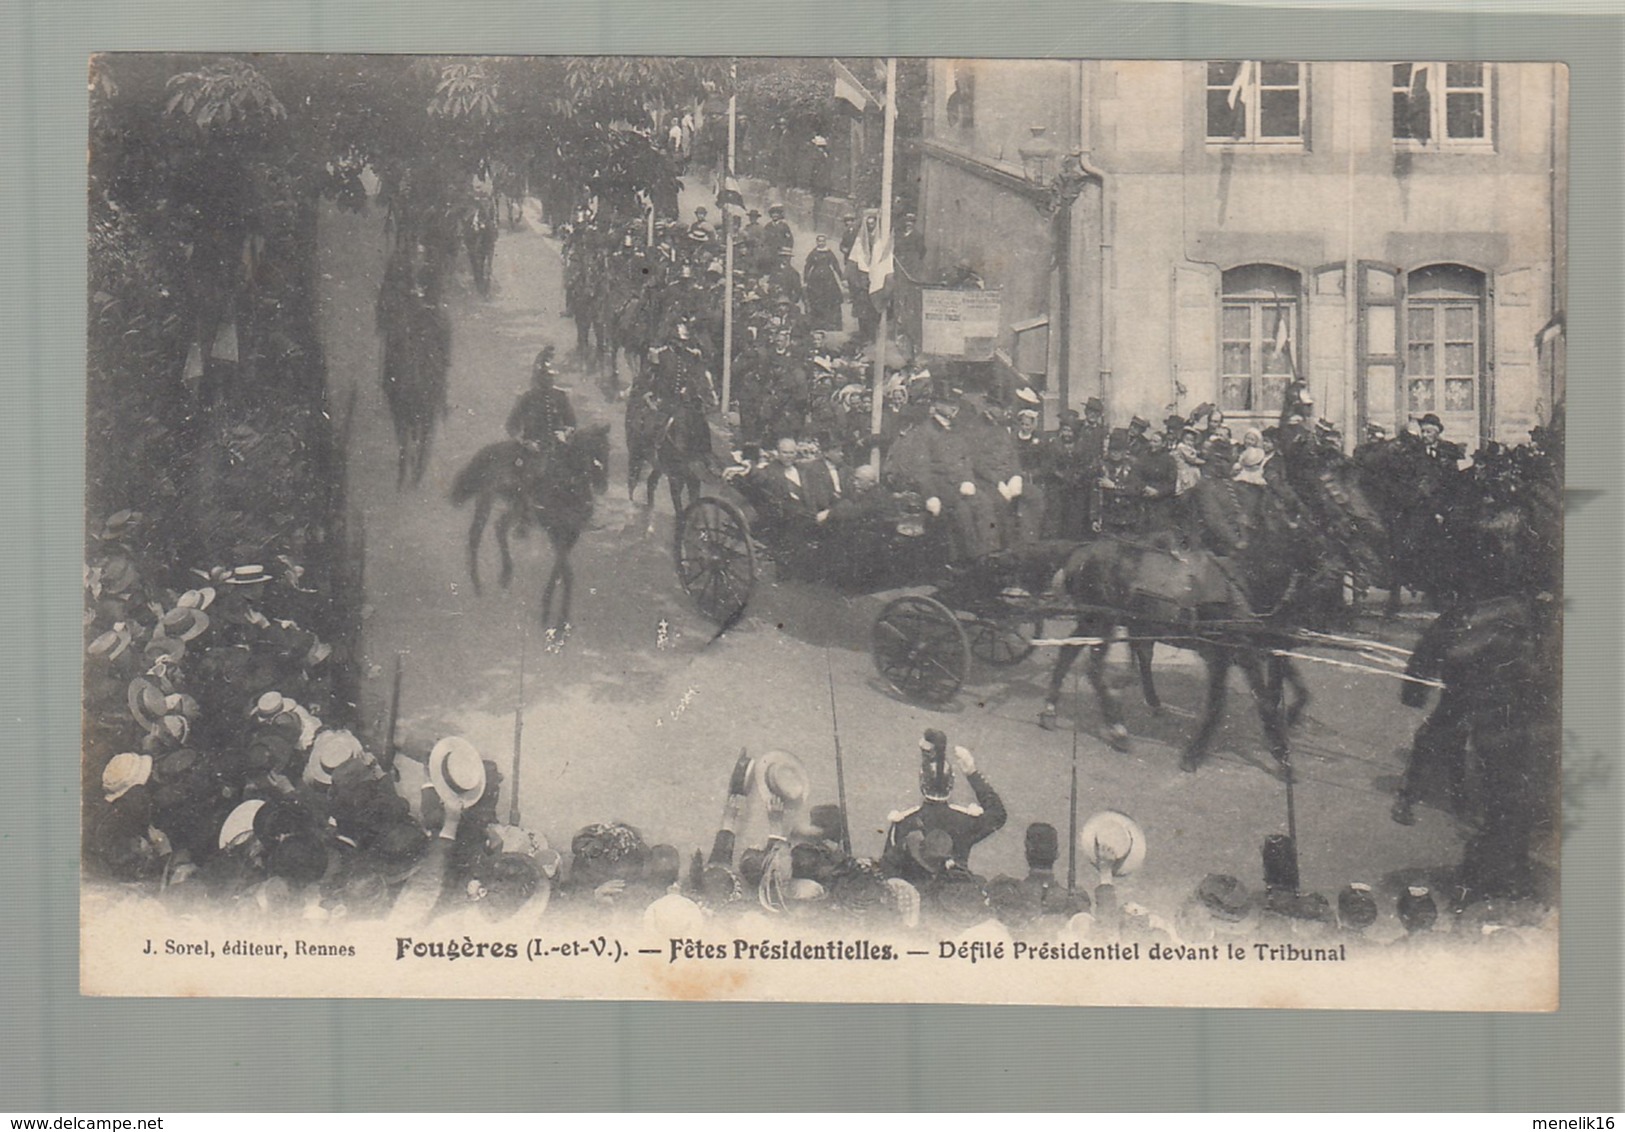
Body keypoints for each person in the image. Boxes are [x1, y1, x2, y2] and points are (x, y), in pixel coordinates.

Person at [880, 730, 1007, 887]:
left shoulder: (904, 822)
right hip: (952, 895)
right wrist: (972, 773)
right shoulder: (965, 821)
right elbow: (998, 814)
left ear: (921, 782)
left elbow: (888, 866)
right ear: (951, 784)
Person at [505, 346, 577, 495]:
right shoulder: (528, 398)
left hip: (558, 445)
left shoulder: (560, 397)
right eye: (545, 377)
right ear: (539, 379)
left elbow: (571, 422)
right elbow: (511, 426)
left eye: (551, 377)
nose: (549, 381)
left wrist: (566, 433)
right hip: (534, 448)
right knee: (526, 482)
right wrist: (526, 442)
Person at [802, 235, 845, 332]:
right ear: (816, 242)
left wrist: (841, 278)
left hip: (828, 279)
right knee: (816, 299)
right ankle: (818, 323)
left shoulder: (829, 253)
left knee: (830, 299)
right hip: (815, 279)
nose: (821, 243)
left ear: (825, 242)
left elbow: (835, 265)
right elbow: (807, 266)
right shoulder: (813, 253)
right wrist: (805, 279)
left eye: (822, 241)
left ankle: (830, 323)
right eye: (819, 241)